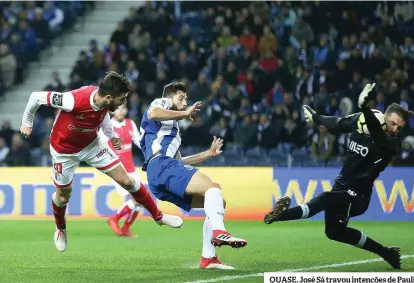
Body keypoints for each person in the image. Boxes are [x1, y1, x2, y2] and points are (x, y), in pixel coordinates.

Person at [20, 71, 183, 253]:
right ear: (108, 97)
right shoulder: (73, 100)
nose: (123, 103)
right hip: (64, 151)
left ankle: (158, 216)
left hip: (92, 144)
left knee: (128, 181)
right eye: (121, 99)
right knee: (63, 197)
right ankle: (60, 228)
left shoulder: (104, 103)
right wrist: (27, 122)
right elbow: (36, 97)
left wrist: (111, 134)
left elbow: (102, 113)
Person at [264, 83, 412, 269]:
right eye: (392, 123)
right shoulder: (362, 122)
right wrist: (317, 118)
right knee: (334, 232)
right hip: (342, 187)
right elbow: (338, 123)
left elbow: (377, 133)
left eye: (400, 128)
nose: (395, 129)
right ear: (384, 117)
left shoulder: (390, 144)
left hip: (359, 196)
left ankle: (282, 216)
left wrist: (365, 108)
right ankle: (387, 253)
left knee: (325, 198)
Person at [140, 82, 247, 270]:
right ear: (170, 96)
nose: (184, 101)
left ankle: (209, 258)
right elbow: (152, 113)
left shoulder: (170, 131)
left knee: (217, 203)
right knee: (213, 187)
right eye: (181, 97)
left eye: (186, 98)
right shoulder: (162, 101)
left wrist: (207, 154)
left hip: (160, 173)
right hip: (161, 165)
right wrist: (185, 113)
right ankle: (220, 232)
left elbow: (180, 162)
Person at [101, 104, 143, 238]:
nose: (121, 111)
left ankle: (125, 228)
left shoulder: (130, 124)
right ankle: (115, 219)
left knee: (140, 201)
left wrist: (153, 152)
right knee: (137, 199)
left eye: (124, 108)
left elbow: (139, 141)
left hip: (131, 168)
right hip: (116, 169)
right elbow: (99, 144)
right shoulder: (107, 126)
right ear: (113, 110)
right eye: (118, 108)